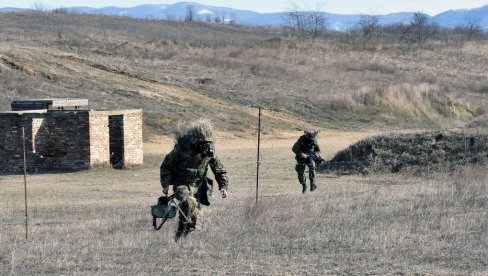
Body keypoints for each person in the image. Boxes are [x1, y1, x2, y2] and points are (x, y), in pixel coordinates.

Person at [160, 118, 229, 240]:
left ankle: (185, 235)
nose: (206, 146)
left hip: (199, 186)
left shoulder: (210, 152)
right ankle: (180, 231)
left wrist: (223, 186)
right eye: (203, 143)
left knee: (194, 214)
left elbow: (219, 170)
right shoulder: (182, 148)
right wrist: (165, 184)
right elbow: (166, 166)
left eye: (208, 143)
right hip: (181, 184)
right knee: (187, 202)